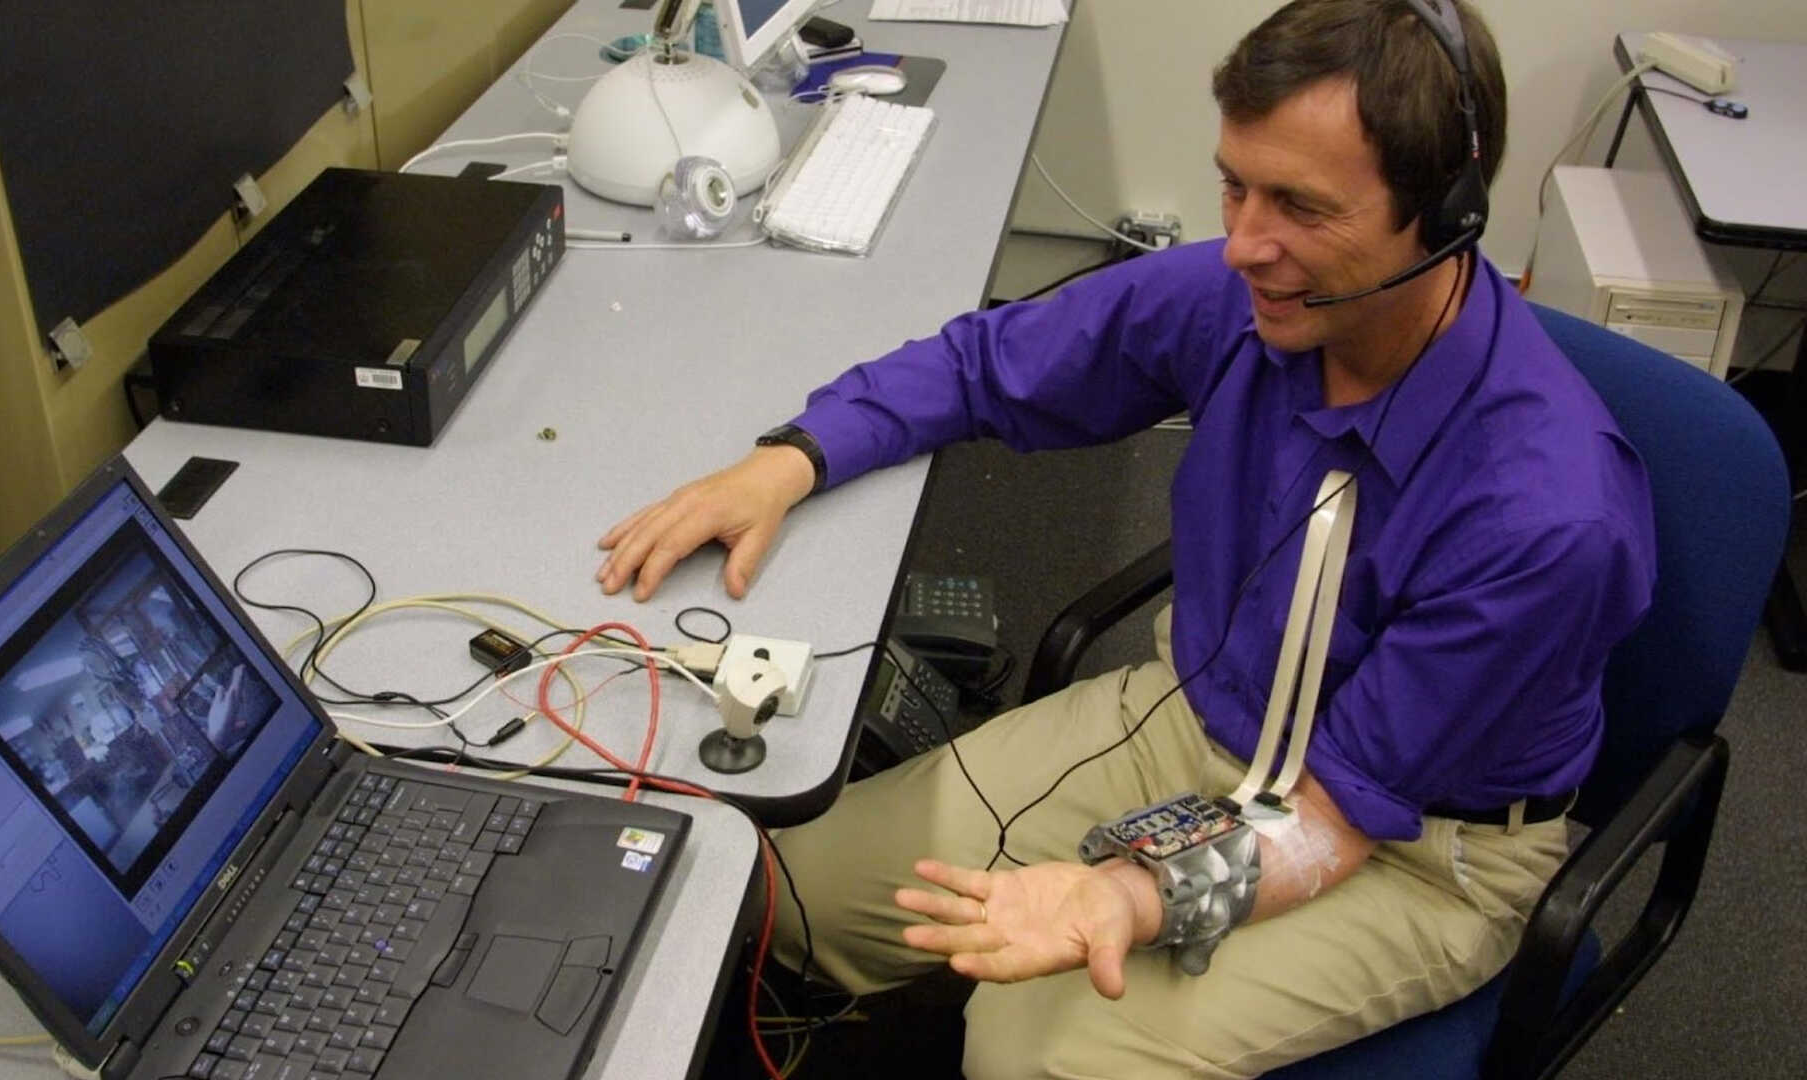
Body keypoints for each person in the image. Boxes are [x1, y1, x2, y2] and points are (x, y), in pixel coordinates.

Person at [596, 1, 1655, 1074]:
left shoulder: (1550, 517)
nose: (1244, 244)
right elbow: (986, 365)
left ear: (1447, 213)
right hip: (1197, 714)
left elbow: (1333, 818)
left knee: (1030, 1051)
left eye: (1299, 206)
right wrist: (792, 458)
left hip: (1413, 846)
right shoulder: (1251, 298)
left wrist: (1129, 895)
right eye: (1236, 184)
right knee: (779, 889)